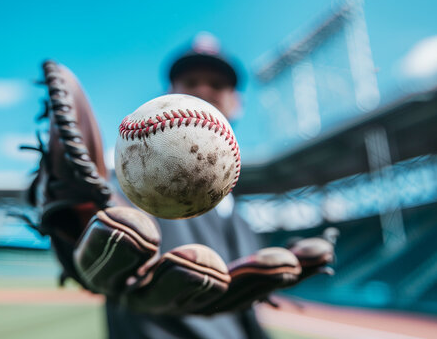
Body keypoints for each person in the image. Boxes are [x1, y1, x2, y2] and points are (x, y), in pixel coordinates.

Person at [25, 33, 336, 339]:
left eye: (217, 84)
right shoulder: (138, 188)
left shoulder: (241, 221)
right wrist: (76, 223)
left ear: (237, 103)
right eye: (190, 83)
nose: (203, 88)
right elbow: (105, 215)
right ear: (169, 93)